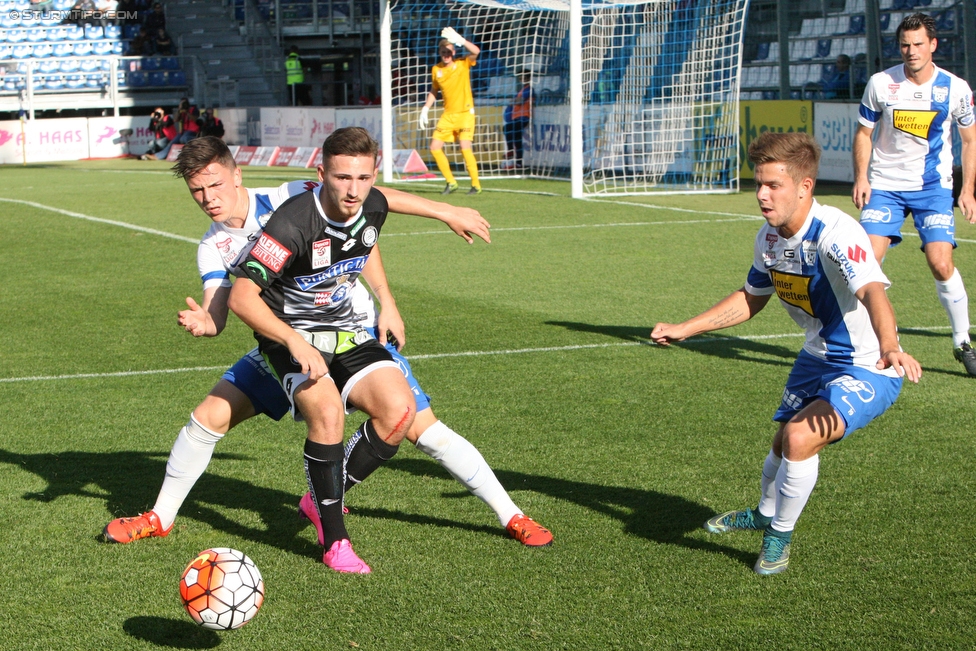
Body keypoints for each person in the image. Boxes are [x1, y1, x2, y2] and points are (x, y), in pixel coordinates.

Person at [102, 136, 552, 566]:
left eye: (215, 184)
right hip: (286, 345)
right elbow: (222, 308)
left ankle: (510, 514)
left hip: (351, 332)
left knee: (420, 427)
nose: (208, 197)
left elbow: (364, 218)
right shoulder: (212, 247)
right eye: (197, 190)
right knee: (209, 417)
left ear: (237, 175)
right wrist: (206, 322)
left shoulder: (290, 196)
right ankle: (159, 517)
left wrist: (393, 289)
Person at [652, 132, 921, 575]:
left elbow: (873, 292)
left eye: (773, 185)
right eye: (759, 183)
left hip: (869, 364)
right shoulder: (769, 237)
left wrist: (890, 346)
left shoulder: (836, 233)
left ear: (804, 187)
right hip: (816, 355)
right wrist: (687, 328)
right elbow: (751, 298)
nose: (761, 194)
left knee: (799, 439)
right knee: (781, 441)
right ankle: (762, 512)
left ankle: (778, 538)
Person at [852, 12, 976, 376]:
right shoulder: (880, 83)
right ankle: (861, 343)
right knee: (865, 263)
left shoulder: (956, 88)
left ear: (933, 45)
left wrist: (968, 190)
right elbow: (863, 134)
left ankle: (962, 342)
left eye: (918, 44)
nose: (911, 51)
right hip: (885, 186)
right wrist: (861, 178)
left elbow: (969, 140)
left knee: (940, 262)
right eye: (905, 45)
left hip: (933, 188)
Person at [418, 27, 482, 195]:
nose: (445, 54)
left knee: (464, 147)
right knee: (434, 147)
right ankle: (451, 182)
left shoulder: (463, 63)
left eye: (448, 51)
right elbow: (434, 91)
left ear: (454, 52)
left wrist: (461, 41)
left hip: (465, 114)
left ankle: (476, 185)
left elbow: (476, 51)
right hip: (448, 115)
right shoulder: (436, 70)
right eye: (443, 52)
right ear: (439, 53)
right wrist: (425, 108)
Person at [501, 70, 532, 170]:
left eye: (522, 77)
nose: (521, 80)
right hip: (516, 117)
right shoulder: (521, 91)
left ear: (527, 78)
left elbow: (519, 101)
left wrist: (514, 101)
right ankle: (518, 163)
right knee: (517, 139)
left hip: (523, 117)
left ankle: (510, 150)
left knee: (507, 128)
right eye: (520, 78)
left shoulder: (529, 90)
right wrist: (514, 101)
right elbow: (514, 101)